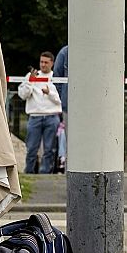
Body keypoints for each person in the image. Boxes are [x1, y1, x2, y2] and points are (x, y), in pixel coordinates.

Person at [17, 51, 62, 174]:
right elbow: (23, 95)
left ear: (52, 63)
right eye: (41, 62)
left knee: (49, 149)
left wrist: (50, 93)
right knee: (31, 148)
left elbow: (61, 99)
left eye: (46, 62)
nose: (43, 65)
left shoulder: (56, 77)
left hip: (52, 116)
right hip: (34, 116)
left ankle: (45, 173)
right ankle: (29, 172)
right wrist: (30, 81)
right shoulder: (31, 75)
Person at [51, 43, 70, 172]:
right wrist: (64, 96)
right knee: (69, 139)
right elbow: (57, 78)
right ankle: (68, 169)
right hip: (68, 106)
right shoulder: (65, 52)